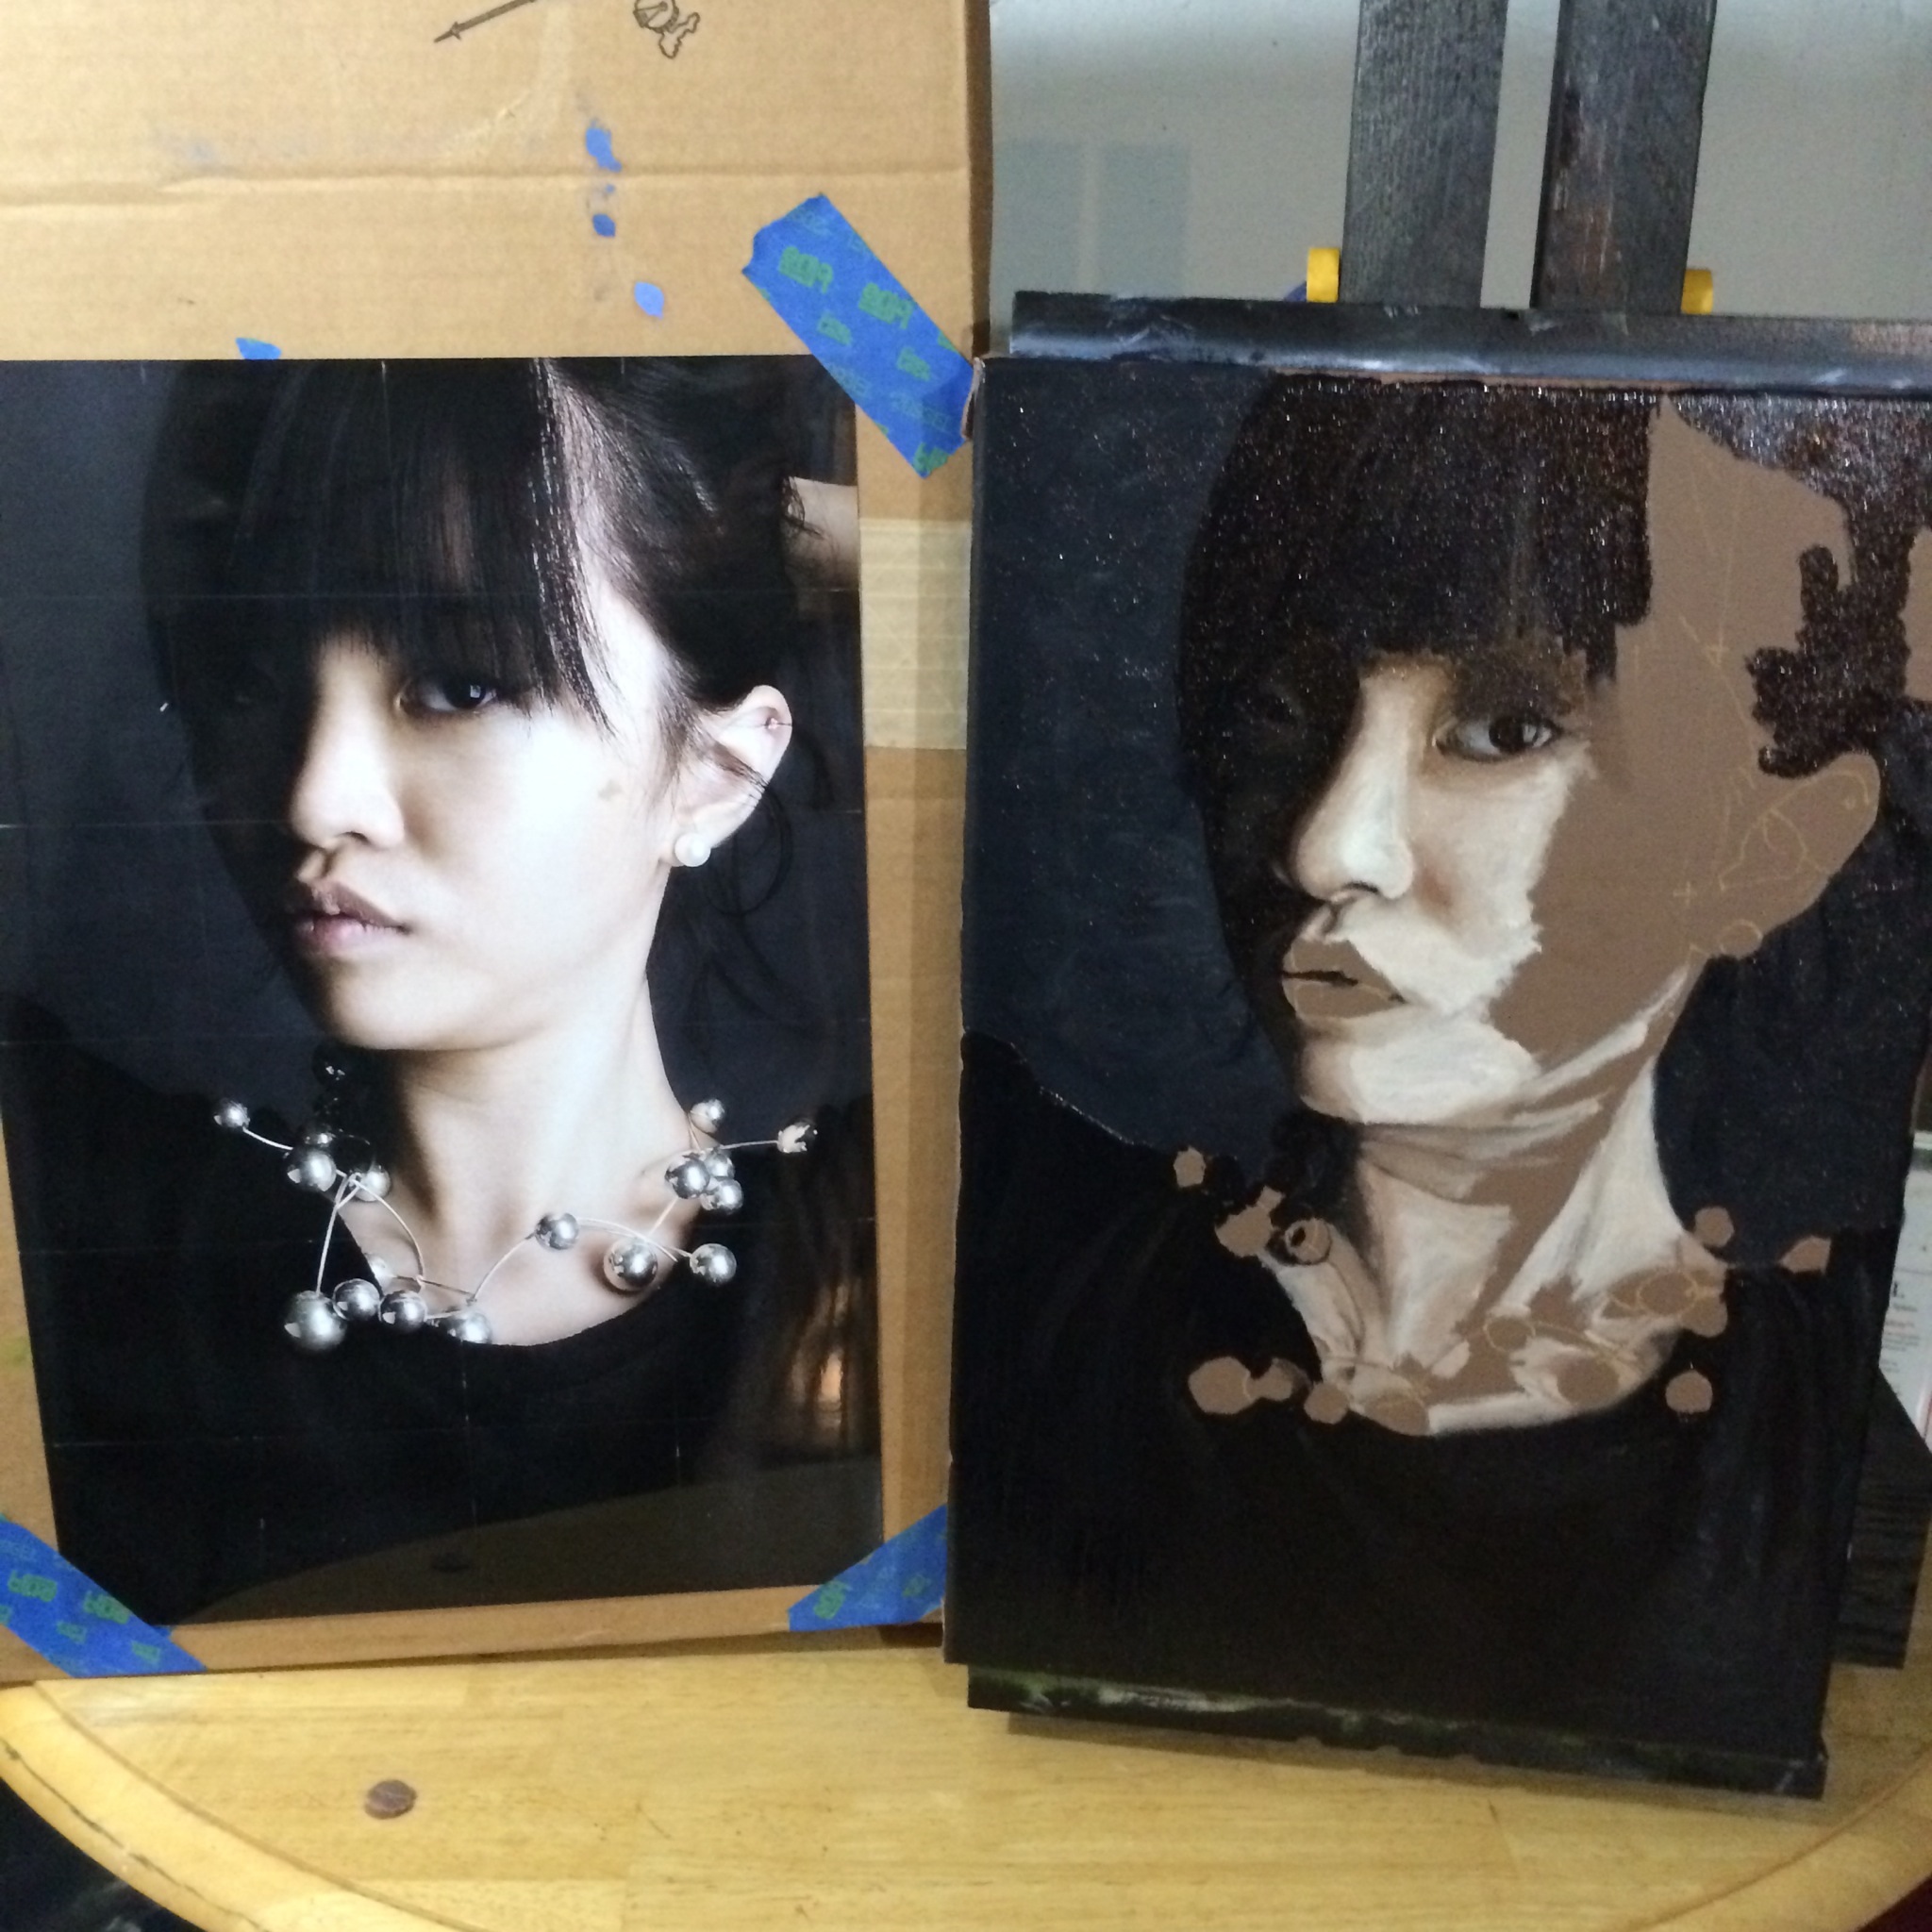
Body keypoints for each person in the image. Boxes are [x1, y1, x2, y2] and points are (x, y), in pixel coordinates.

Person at [948, 374, 1932, 1792]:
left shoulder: (1786, 1454)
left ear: (1773, 850)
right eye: (1284, 708)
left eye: (1505, 730)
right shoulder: (1049, 1275)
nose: (1327, 845)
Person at [0, 358, 881, 1627]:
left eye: (464, 684)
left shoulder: (893, 1257)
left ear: (718, 773)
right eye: (254, 678)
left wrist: (792, 525)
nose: (315, 796)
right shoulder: (94, 1228)